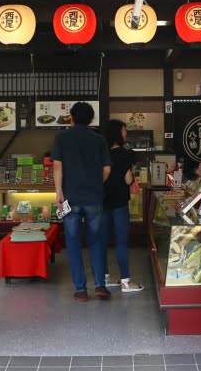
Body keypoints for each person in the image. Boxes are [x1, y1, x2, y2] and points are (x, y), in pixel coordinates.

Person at [51, 102, 112, 302]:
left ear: (72, 117)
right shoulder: (99, 140)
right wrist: (96, 184)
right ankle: (100, 285)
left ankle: (80, 289)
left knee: (74, 242)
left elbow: (58, 168)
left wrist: (59, 192)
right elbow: (107, 169)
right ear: (91, 119)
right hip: (94, 197)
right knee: (96, 241)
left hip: (71, 197)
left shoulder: (62, 138)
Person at [102, 120, 144, 293]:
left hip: (102, 203)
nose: (126, 134)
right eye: (124, 130)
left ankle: (105, 278)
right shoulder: (127, 154)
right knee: (121, 243)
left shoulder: (100, 153)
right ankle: (126, 282)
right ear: (118, 133)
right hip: (119, 204)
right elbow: (128, 179)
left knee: (102, 242)